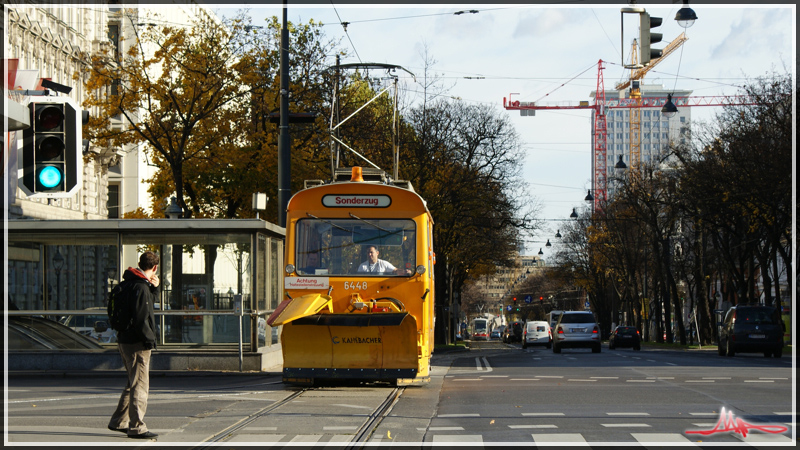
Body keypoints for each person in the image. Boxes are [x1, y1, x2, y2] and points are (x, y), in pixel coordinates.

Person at [108, 251, 160, 440]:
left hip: (124, 338)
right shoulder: (141, 287)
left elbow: (141, 308)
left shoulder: (128, 283)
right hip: (137, 342)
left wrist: (154, 289)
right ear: (154, 268)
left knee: (132, 382)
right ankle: (137, 427)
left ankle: (118, 421)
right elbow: (142, 318)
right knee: (140, 385)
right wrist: (149, 340)